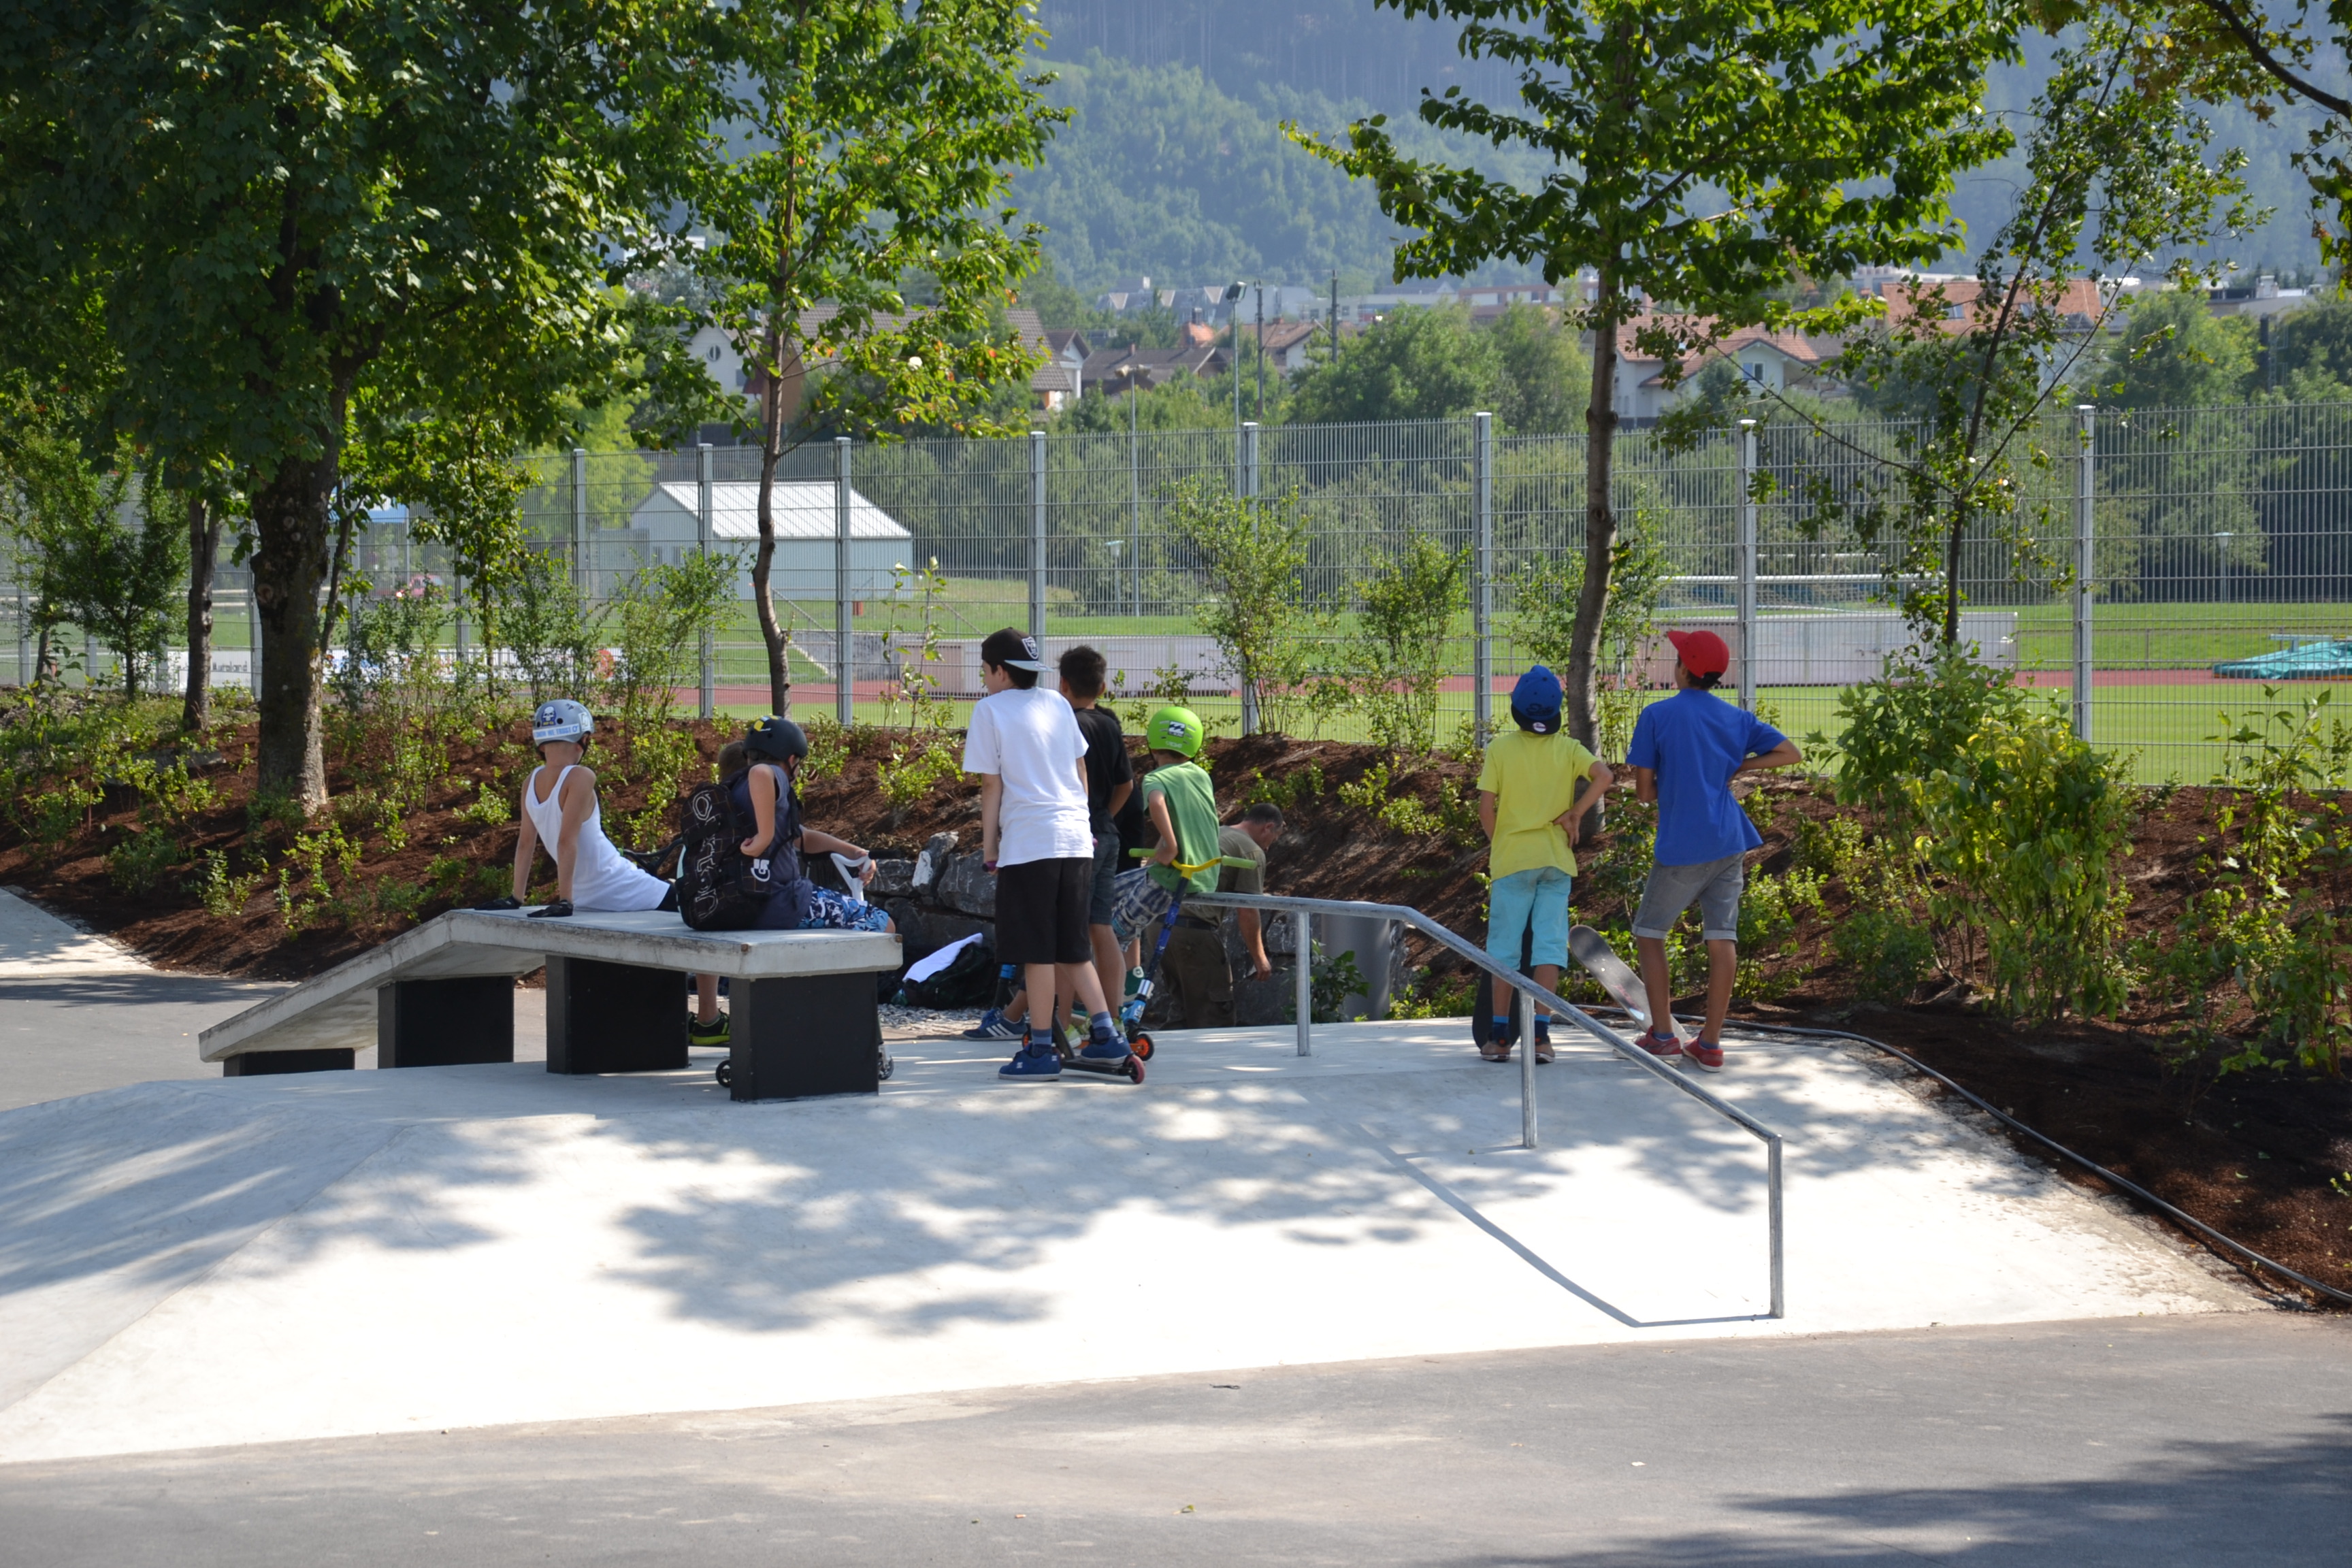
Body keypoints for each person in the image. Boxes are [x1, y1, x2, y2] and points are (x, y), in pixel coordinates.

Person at [495, 700, 730, 1049]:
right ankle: (709, 1020)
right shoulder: (580, 776)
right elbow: (566, 841)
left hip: (590, 897)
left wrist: (517, 898)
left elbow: (526, 843)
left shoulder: (531, 782)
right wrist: (565, 902)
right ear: (582, 739)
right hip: (623, 888)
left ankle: (680, 1006)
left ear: (541, 743)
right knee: (710, 914)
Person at [1624, 629, 1803, 1073]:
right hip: (1730, 840)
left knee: (1649, 932)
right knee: (1722, 936)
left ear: (1684, 668)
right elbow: (1790, 753)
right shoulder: (1737, 718)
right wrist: (1739, 765)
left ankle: (1663, 1036)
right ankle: (1709, 1044)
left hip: (1683, 844)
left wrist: (1673, 781)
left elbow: (1644, 793)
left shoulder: (1657, 715)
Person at [962, 628, 1126, 1081]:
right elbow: (1079, 769)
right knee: (1073, 947)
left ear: (999, 671)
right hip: (1076, 838)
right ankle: (1108, 1037)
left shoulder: (990, 710)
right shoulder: (1057, 703)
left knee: (1036, 951)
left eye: (985, 670)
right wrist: (1084, 823)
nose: (985, 678)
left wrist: (991, 848)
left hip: (1031, 843)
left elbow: (991, 784)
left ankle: (1039, 1050)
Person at [1475, 666, 1612, 1064]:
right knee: (1549, 949)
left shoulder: (1500, 749)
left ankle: (1500, 1038)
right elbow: (1604, 775)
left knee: (1504, 952)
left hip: (1513, 862)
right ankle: (1541, 1038)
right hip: (1555, 862)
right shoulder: (1569, 749)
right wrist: (1576, 813)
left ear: (1516, 709)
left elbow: (1486, 809)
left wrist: (1501, 844)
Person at [1107, 704, 1222, 990]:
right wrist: (1160, 852)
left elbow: (1158, 802)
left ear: (1153, 744)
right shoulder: (1201, 776)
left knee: (1110, 933)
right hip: (1201, 872)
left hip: (1172, 877)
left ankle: (1110, 999)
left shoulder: (1155, 778)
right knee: (1103, 895)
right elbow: (1184, 821)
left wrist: (1169, 847)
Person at [1154, 802, 1284, 1030]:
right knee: (1216, 1014)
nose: (1269, 847)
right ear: (1268, 827)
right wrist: (1260, 958)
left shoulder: (1218, 833)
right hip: (1191, 932)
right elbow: (1247, 909)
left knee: (1182, 1009)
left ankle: (1173, 1051)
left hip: (1158, 925)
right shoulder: (1250, 850)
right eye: (1274, 838)